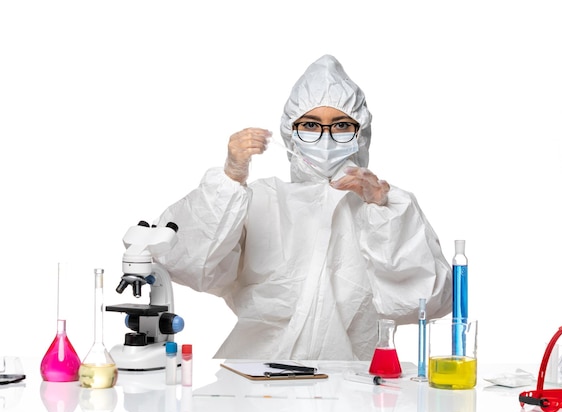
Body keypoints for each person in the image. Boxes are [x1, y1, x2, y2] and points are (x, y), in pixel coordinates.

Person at [154, 54, 452, 361]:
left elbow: (427, 302)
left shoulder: (386, 207)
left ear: (360, 133)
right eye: (310, 124)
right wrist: (229, 180)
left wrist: (382, 212)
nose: (325, 137)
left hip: (352, 385)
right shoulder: (260, 200)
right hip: (257, 379)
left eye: (340, 125)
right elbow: (185, 263)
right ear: (291, 133)